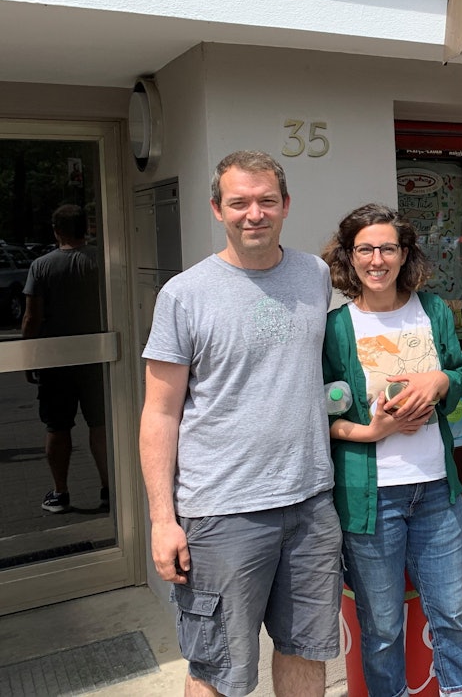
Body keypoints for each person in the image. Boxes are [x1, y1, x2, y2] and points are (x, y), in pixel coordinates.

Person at [139, 151, 341, 697]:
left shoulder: (314, 274)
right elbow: (159, 413)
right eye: (240, 202)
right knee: (218, 669)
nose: (254, 213)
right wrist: (162, 520)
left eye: (266, 200)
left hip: (310, 504)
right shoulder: (184, 294)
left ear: (285, 205)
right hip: (222, 512)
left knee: (307, 650)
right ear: (217, 209)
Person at [321, 204, 462, 697]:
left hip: (436, 490)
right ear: (349, 257)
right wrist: (370, 433)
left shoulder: (432, 310)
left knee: (452, 614)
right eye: (364, 249)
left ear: (404, 253)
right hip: (371, 502)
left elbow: (460, 375)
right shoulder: (335, 327)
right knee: (384, 627)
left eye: (388, 248)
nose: (377, 259)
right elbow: (318, 415)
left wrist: (438, 378)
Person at [22, 204, 107, 514]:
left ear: (56, 231)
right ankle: (109, 487)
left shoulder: (41, 267)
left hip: (56, 359)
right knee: (100, 424)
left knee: (57, 427)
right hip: (98, 355)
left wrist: (29, 355)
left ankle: (60, 492)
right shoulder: (100, 261)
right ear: (85, 228)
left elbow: (32, 317)